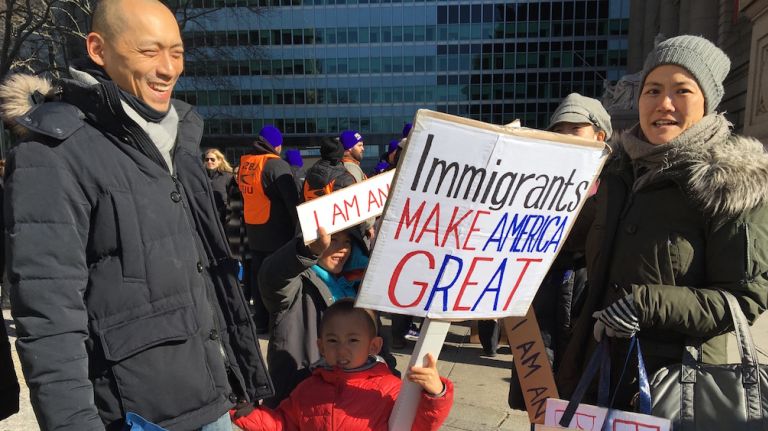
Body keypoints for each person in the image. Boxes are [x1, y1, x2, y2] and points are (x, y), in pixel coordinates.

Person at [0, 0, 273, 429]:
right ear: (98, 49)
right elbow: (48, 309)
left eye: (177, 52)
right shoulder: (53, 152)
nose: (168, 68)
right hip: (137, 415)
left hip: (214, 399)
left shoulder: (180, 138)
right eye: (149, 52)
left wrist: (239, 377)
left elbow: (205, 277)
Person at [556, 35, 768, 411]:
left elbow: (742, 299)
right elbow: (568, 239)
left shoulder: (730, 183)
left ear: (707, 101)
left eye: (681, 90)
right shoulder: (619, 172)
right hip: (597, 373)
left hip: (675, 389)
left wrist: (645, 304)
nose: (664, 104)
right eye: (652, 90)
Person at [508, 93, 611, 408]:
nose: (566, 137)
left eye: (575, 129)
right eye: (559, 130)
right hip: (541, 301)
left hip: (586, 297)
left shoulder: (613, 186)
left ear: (599, 136)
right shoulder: (535, 180)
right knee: (540, 397)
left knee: (580, 396)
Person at [230, 299, 453, 431]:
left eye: (353, 340)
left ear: (374, 346)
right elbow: (282, 424)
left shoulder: (390, 389)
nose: (342, 349)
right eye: (333, 341)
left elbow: (420, 425)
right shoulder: (308, 388)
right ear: (321, 346)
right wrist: (247, 414)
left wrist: (436, 394)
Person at [238, 125, 300, 332]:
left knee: (258, 279)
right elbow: (293, 202)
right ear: (277, 145)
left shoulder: (246, 163)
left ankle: (261, 321)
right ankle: (280, 323)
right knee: (279, 280)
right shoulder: (276, 165)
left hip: (254, 232)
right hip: (278, 233)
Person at [204, 148, 235, 226]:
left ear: (219, 161)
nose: (209, 162)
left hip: (222, 215)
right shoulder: (201, 176)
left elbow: (235, 196)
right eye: (207, 159)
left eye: (212, 159)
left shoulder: (228, 176)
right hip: (205, 214)